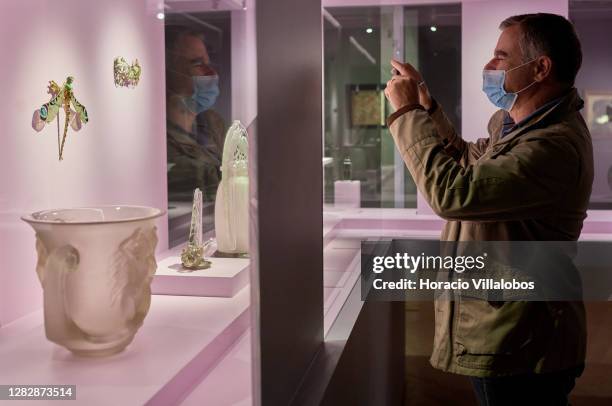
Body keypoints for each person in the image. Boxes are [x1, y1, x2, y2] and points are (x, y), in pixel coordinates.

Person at [384, 13, 592, 405]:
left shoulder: (551, 147)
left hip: (523, 343)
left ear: (540, 67)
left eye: (501, 56)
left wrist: (406, 114)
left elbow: (452, 193)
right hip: (507, 331)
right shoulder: (514, 126)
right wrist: (426, 106)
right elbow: (468, 160)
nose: (489, 66)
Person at [166, 27, 226, 202]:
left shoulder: (214, 123)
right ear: (172, 68)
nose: (210, 73)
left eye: (208, 63)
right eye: (198, 63)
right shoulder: (156, 134)